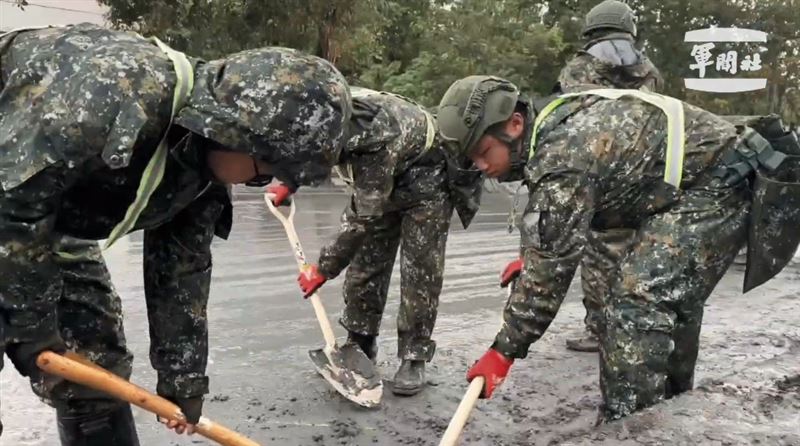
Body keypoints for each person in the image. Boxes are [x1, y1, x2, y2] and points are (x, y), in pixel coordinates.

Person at [0, 23, 351, 445]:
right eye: (266, 172)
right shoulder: (109, 92)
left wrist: (182, 381)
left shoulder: (202, 163)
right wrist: (27, 321)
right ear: (240, 135)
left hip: (47, 211)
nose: (256, 182)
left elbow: (181, 267)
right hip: (12, 194)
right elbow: (12, 204)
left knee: (95, 367)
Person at [436, 75, 800, 421]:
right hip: (703, 181)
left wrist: (503, 351)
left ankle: (630, 429)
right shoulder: (550, 126)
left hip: (718, 183)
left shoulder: (562, 153)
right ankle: (669, 413)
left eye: (483, 152)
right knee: (667, 300)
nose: (482, 167)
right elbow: (556, 224)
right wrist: (532, 258)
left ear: (514, 124)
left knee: (637, 301)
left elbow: (550, 268)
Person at [295, 87, 484, 396]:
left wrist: (323, 268)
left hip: (428, 182)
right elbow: (308, 152)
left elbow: (360, 219)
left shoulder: (372, 138)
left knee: (420, 271)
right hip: (387, 174)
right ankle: (360, 341)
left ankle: (414, 355)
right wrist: (290, 185)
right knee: (365, 264)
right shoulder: (323, 113)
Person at [533, 0, 664, 353]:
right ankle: (633, 325)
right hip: (645, 169)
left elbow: (566, 114)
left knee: (598, 248)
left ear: (591, 29)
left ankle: (598, 328)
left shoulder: (579, 67)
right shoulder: (648, 69)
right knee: (636, 249)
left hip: (595, 167)